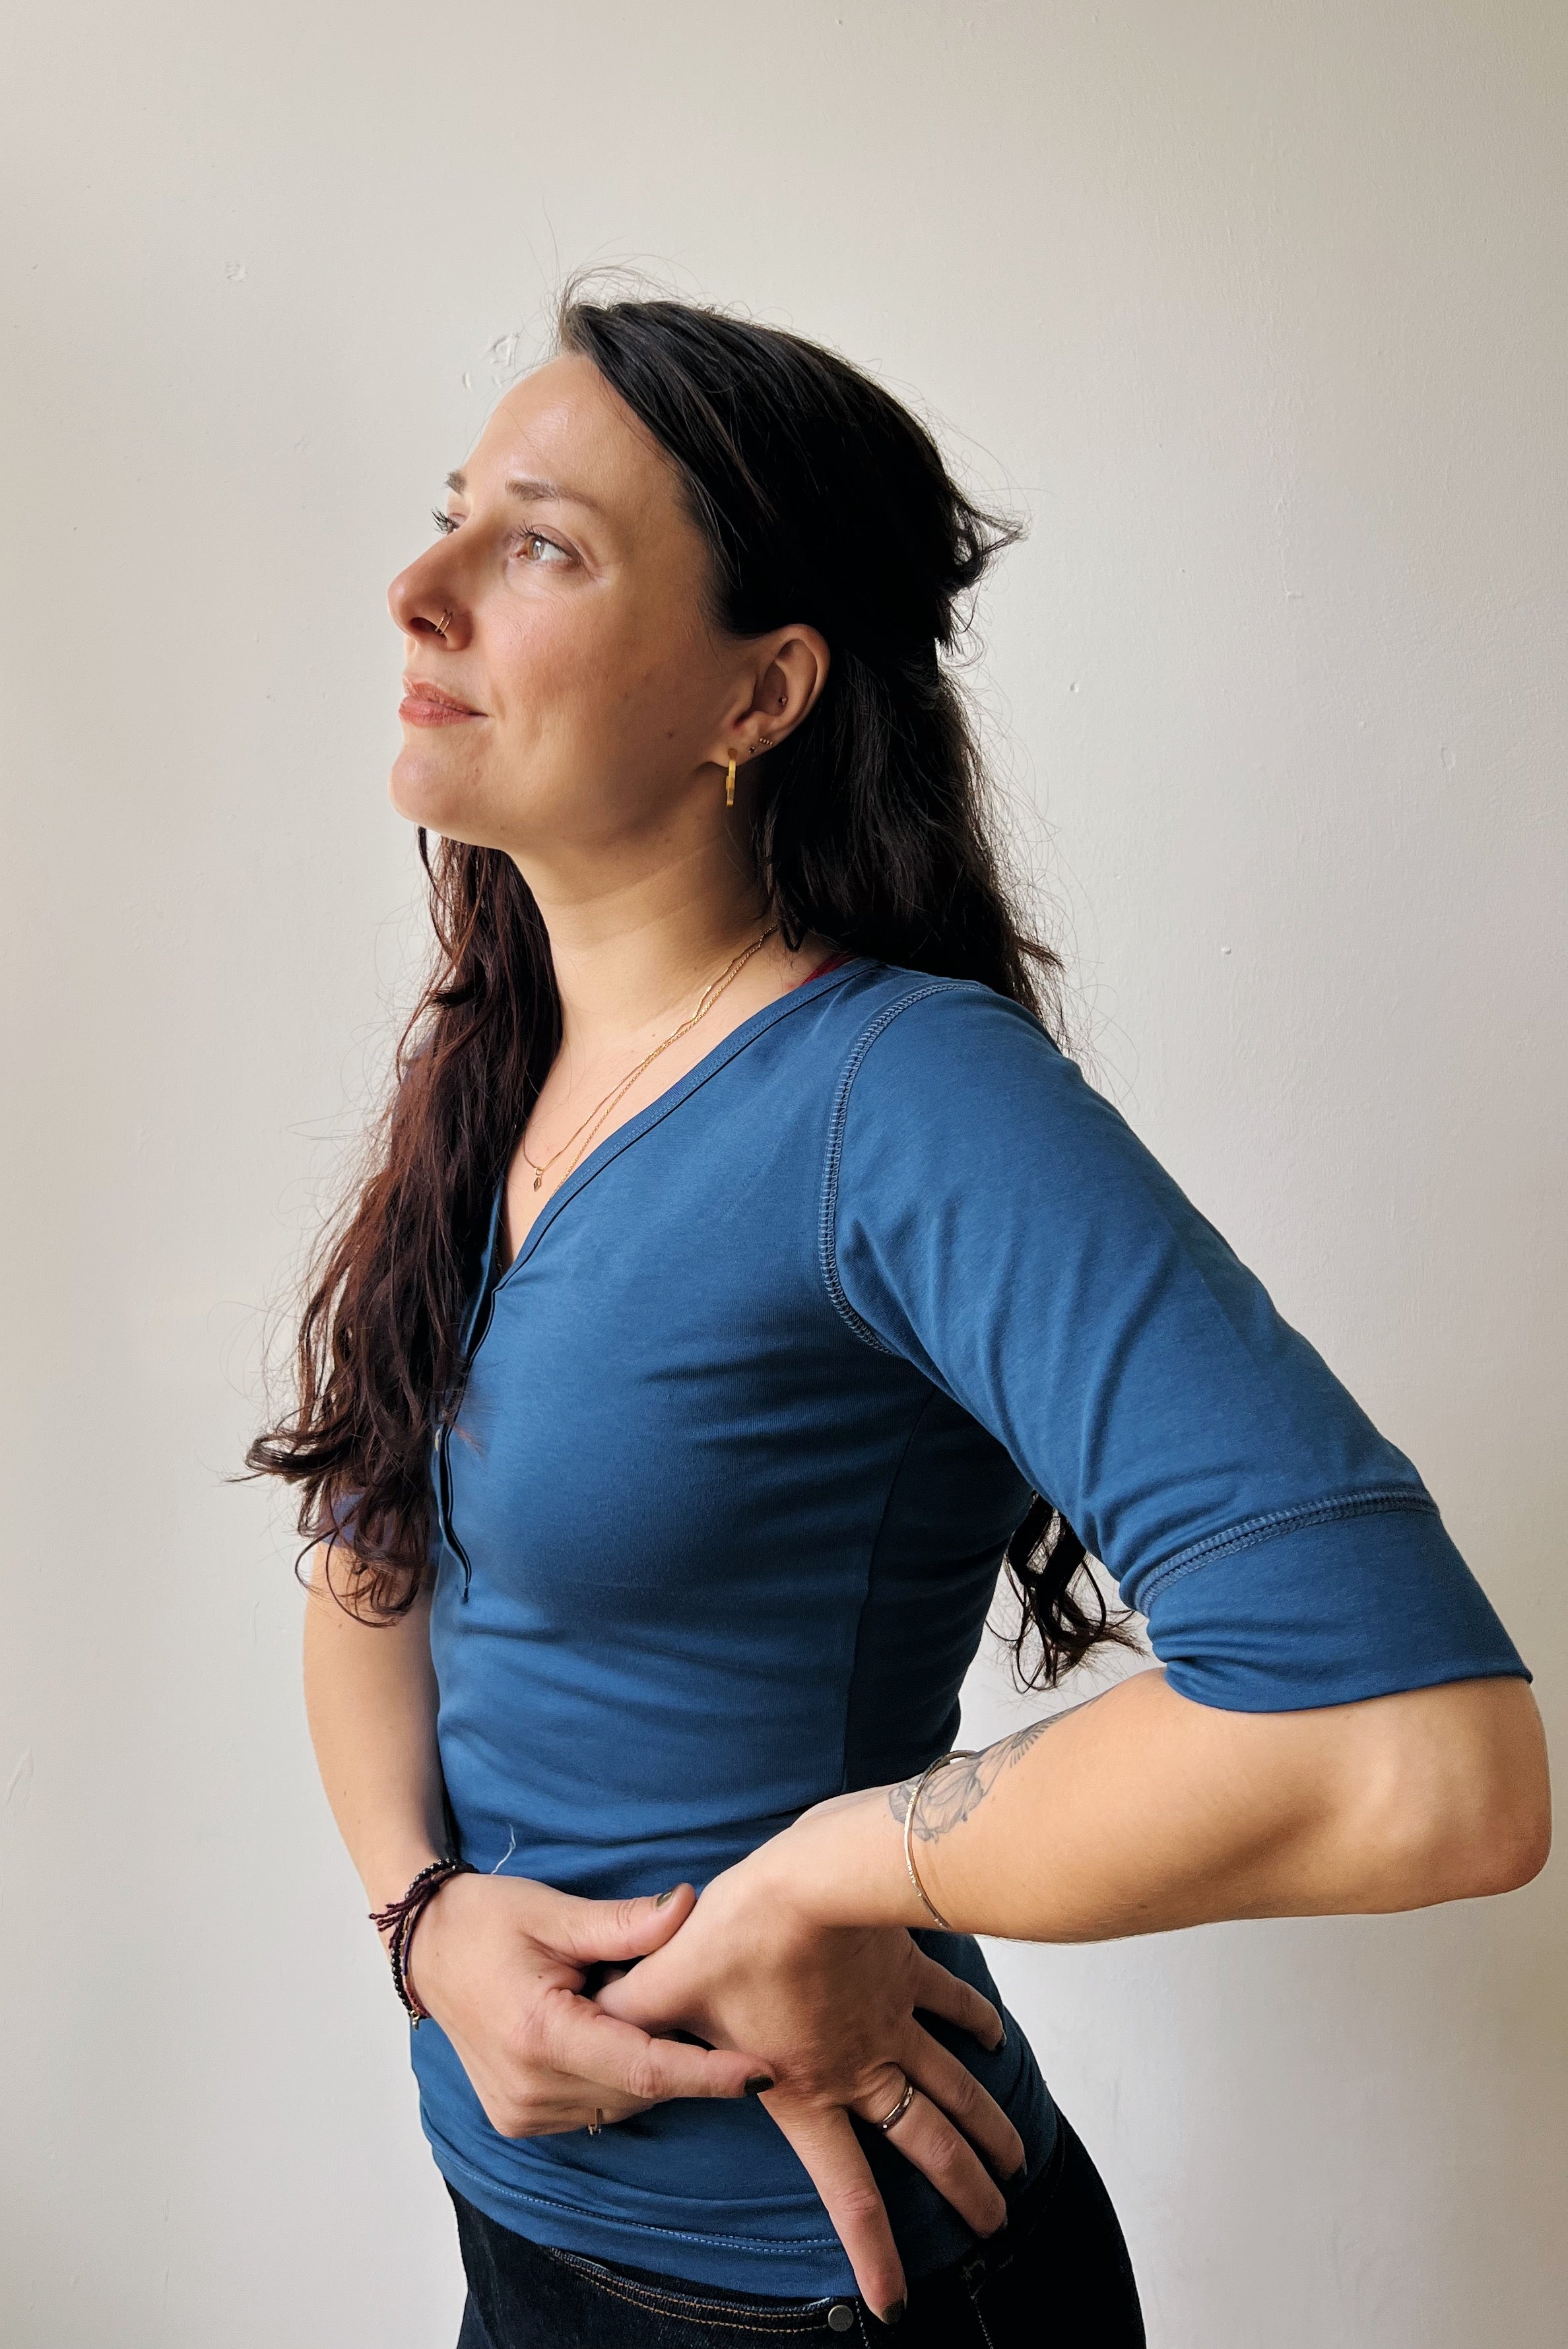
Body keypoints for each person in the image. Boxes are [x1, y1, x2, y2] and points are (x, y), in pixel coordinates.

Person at [248, 285, 1549, 2348]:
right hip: (512, 2233)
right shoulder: (497, 1072)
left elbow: (1430, 1765)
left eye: (542, 547)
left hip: (821, 2297)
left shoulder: (899, 1101)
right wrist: (423, 1923)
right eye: (447, 519)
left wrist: (833, 1875)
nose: (420, 591)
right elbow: (365, 1567)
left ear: (758, 694)